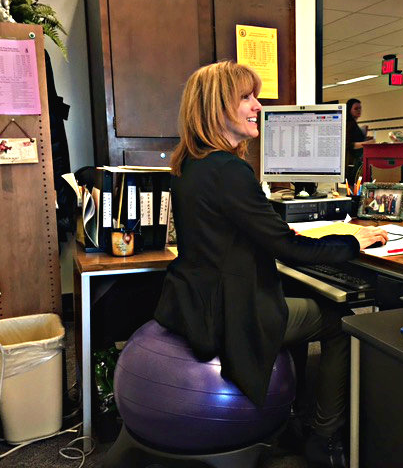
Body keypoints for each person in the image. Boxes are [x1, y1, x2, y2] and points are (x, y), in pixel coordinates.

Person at [154, 61, 388, 467]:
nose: (257, 106)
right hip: (232, 314)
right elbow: (289, 248)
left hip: (199, 304)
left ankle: (295, 418)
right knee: (342, 321)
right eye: (246, 97)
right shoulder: (228, 170)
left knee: (299, 294)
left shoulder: (190, 165)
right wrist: (352, 240)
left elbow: (251, 234)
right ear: (216, 107)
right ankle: (324, 436)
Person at [345, 98, 374, 182]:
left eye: (360, 108)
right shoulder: (350, 124)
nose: (359, 110)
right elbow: (349, 144)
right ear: (349, 110)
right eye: (356, 108)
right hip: (352, 162)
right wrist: (367, 143)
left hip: (355, 161)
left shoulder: (353, 124)